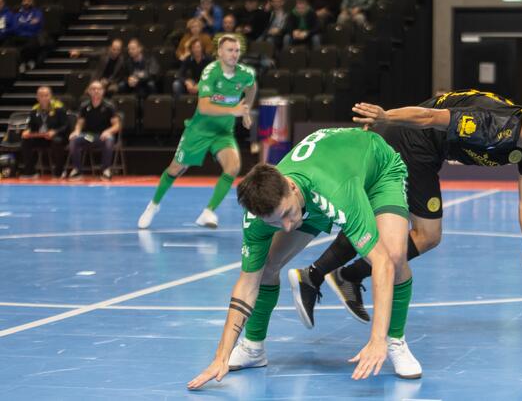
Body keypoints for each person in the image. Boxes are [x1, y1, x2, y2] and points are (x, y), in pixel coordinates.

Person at [289, 90, 522, 327]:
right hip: (412, 140)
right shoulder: (493, 124)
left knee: (416, 232)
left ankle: (336, 275)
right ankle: (320, 275)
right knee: (424, 233)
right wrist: (386, 116)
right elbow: (430, 117)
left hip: (432, 154)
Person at [186, 128, 421, 390]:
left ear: (291, 186)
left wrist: (377, 339)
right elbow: (246, 283)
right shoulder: (260, 216)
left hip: (377, 171)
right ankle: (253, 347)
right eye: (274, 221)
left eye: (286, 214)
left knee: (394, 255)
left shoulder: (335, 191)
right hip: (314, 195)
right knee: (266, 268)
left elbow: (382, 263)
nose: (286, 227)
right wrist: (221, 357)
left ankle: (395, 340)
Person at [138, 36, 256, 230]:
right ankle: (153, 206)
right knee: (175, 169)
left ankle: (208, 211)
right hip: (199, 130)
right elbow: (204, 107)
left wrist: (246, 110)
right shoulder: (211, 73)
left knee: (233, 167)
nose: (234, 54)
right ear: (219, 52)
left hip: (223, 132)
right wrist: (232, 110)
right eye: (229, 50)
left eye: (236, 50)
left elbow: (251, 86)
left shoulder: (245, 73)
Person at [67, 82, 120, 181]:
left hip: (102, 136)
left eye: (99, 89)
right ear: (89, 91)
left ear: (103, 91)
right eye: (93, 89)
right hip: (89, 136)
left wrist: (108, 131)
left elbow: (117, 125)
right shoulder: (84, 106)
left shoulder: (109, 106)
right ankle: (77, 170)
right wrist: (76, 131)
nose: (96, 91)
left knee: (109, 140)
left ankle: (106, 170)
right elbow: (80, 123)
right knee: (75, 139)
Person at [19, 86, 68, 179]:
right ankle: (30, 172)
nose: (44, 98)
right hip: (40, 137)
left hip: (56, 137)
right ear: (37, 97)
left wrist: (55, 131)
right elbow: (31, 126)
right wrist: (28, 131)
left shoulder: (59, 108)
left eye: (46, 95)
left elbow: (66, 126)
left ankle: (59, 172)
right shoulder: (34, 110)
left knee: (57, 141)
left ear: (51, 96)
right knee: (25, 141)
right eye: (41, 96)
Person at [7, 0, 43, 72]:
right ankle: (26, 62)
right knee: (8, 43)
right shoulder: (17, 14)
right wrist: (29, 23)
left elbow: (35, 28)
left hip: (32, 36)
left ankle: (24, 62)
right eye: (24, 1)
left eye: (29, 1)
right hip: (19, 36)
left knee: (32, 43)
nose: (26, 3)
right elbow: (15, 28)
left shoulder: (37, 13)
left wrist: (22, 24)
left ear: (33, 2)